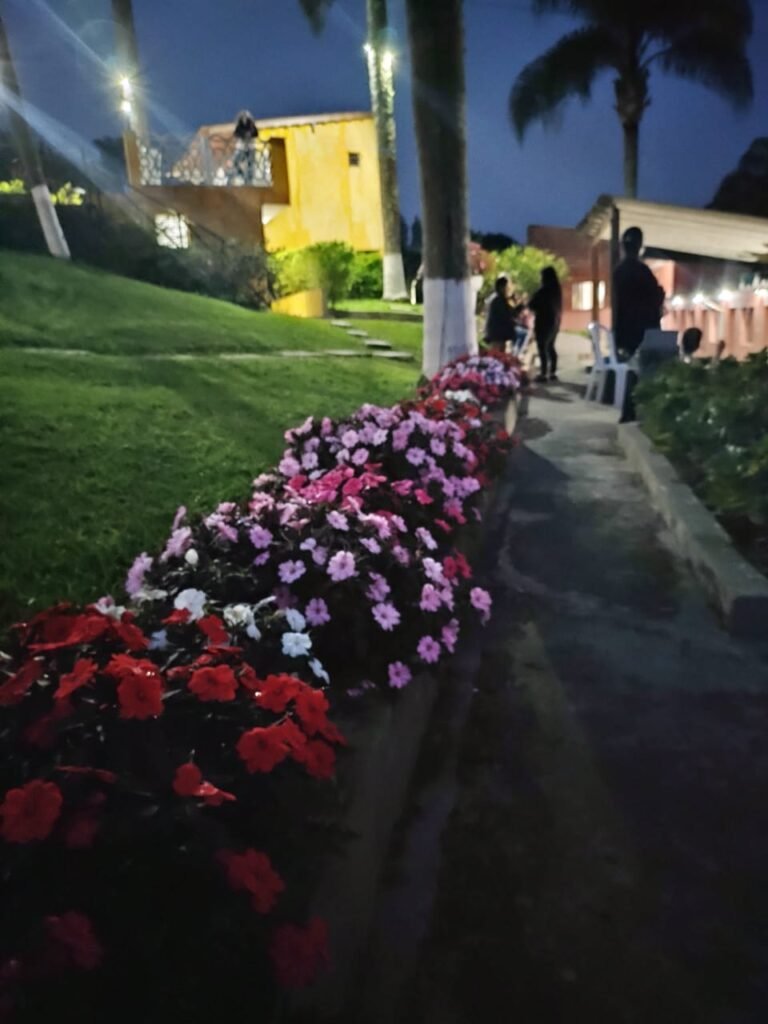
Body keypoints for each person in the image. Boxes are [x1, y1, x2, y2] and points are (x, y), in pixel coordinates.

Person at [613, 227, 666, 358]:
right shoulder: (643, 271)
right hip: (642, 333)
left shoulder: (619, 271)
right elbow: (655, 297)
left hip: (624, 331)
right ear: (639, 247)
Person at [528, 266, 562, 382]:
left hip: (543, 322)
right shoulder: (556, 290)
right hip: (555, 322)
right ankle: (552, 372)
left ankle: (543, 374)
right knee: (551, 346)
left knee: (542, 347)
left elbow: (532, 304)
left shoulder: (543, 291)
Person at [483, 275, 518, 353]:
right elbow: (505, 316)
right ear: (502, 287)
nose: (509, 289)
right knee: (496, 355)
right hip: (497, 335)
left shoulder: (502, 300)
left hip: (500, 335)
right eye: (508, 286)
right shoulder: (498, 301)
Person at [231, 110, 258, 184]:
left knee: (250, 164)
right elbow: (236, 133)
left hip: (250, 147)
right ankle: (242, 176)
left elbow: (255, 134)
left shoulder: (251, 125)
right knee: (236, 162)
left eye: (246, 117)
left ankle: (249, 180)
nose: (245, 118)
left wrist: (250, 133)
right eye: (243, 117)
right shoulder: (239, 126)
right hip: (241, 148)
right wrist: (244, 134)